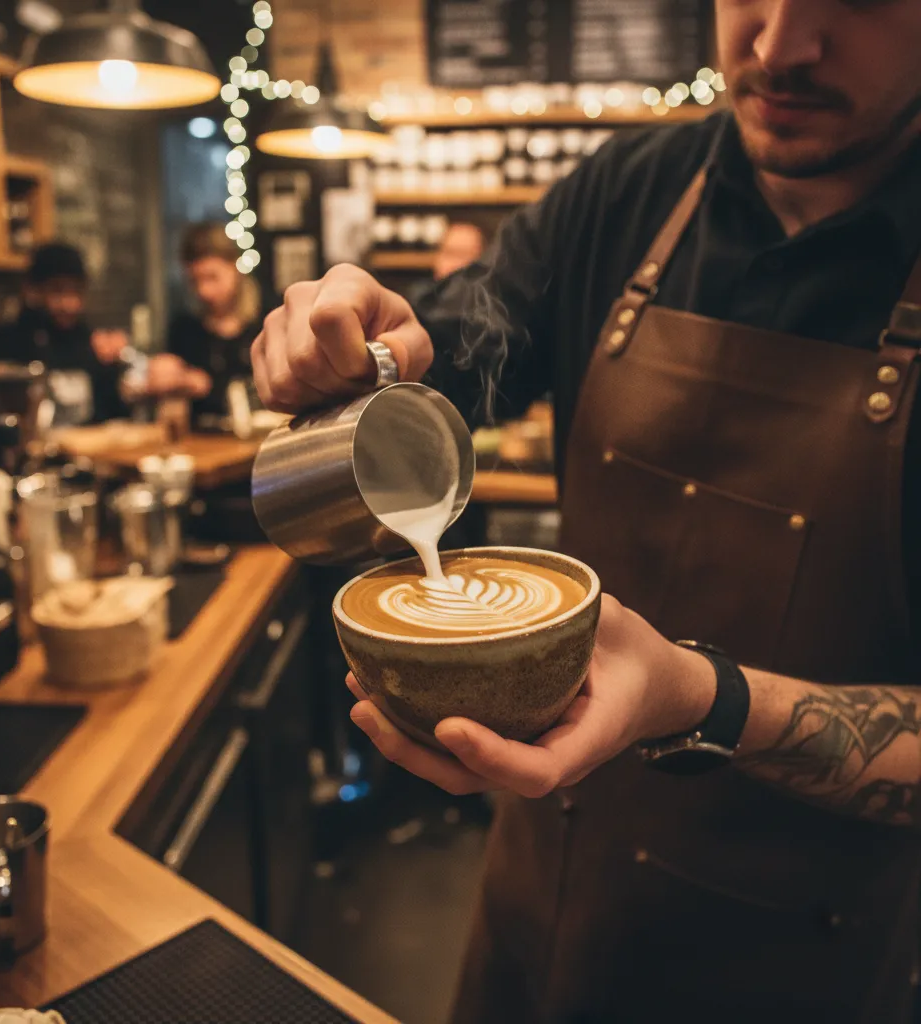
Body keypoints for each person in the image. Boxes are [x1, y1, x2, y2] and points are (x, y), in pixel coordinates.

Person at [251, 1, 921, 1021]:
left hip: (798, 958)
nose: (781, 45)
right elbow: (459, 345)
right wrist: (367, 350)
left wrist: (701, 695)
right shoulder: (629, 190)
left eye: (858, 0)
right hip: (546, 891)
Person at [0, 242, 128, 424]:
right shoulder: (4, 342)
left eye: (76, 291)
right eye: (57, 290)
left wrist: (116, 370)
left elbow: (114, 415)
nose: (69, 304)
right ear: (32, 290)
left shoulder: (92, 342)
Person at [139, 222, 263, 424]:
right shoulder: (184, 328)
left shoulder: (264, 319)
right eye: (194, 281)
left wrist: (206, 386)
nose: (204, 291)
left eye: (212, 277)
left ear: (235, 266)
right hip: (201, 448)